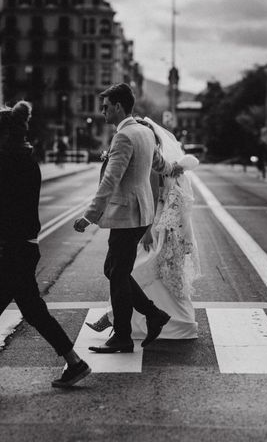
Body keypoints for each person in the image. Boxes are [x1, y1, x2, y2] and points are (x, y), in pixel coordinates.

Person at [0, 101, 90, 388]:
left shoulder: (15, 165)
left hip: (14, 250)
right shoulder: (23, 162)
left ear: (6, 136)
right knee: (30, 311)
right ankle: (74, 363)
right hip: (19, 247)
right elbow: (4, 210)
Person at [73, 83, 182, 353]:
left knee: (117, 273)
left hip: (127, 215)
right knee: (114, 270)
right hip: (141, 213)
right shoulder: (144, 132)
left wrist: (89, 217)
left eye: (106, 107)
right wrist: (174, 168)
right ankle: (153, 315)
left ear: (119, 106)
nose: (102, 111)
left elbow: (111, 179)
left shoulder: (123, 137)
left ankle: (124, 335)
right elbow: (160, 164)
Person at [85, 117, 200, 340]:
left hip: (148, 221)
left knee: (129, 270)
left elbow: (154, 194)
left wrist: (148, 230)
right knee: (124, 270)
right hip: (149, 219)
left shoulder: (144, 157)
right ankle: (136, 317)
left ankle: (129, 318)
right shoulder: (152, 154)